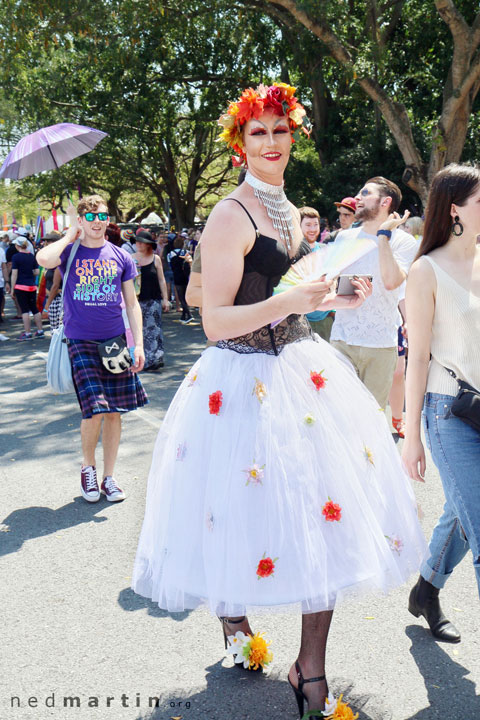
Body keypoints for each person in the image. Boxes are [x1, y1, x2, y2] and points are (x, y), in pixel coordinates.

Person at [132, 82, 425, 719]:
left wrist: (325, 298)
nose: (270, 142)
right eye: (257, 133)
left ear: (293, 136)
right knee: (234, 506)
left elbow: (291, 290)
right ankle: (234, 624)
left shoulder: (291, 208)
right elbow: (214, 321)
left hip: (300, 368)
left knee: (323, 511)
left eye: (278, 130)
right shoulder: (229, 215)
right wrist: (294, 301)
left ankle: (310, 669)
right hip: (236, 378)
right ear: (241, 144)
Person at [402, 163, 480, 643]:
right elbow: (417, 358)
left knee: (462, 508)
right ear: (455, 210)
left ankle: (427, 588)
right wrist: (411, 437)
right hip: (447, 412)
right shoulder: (425, 270)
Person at [37, 195, 147, 504]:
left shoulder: (121, 257)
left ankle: (109, 478)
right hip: (80, 340)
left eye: (102, 215)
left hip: (114, 342)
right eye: (92, 216)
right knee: (95, 408)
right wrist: (70, 234)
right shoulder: (70, 251)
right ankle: (88, 468)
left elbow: (132, 303)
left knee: (114, 412)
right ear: (82, 220)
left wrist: (137, 344)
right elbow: (44, 260)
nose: (98, 221)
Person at [329, 177, 418, 409]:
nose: (357, 198)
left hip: (380, 345)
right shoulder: (344, 237)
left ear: (385, 202)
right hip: (342, 339)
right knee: (338, 412)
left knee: (370, 420)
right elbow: (332, 282)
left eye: (365, 193)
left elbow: (391, 282)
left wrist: (383, 237)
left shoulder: (404, 242)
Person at [133, 230, 170, 371]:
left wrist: (165, 299)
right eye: (137, 241)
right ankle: (141, 359)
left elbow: (161, 279)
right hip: (135, 300)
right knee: (138, 330)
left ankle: (155, 358)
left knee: (154, 330)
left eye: (142, 242)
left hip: (153, 299)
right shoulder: (130, 258)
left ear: (149, 245)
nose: (139, 244)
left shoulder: (156, 259)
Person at [299, 207, 336, 342]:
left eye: (315, 225)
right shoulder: (292, 253)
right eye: (308, 225)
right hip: (300, 318)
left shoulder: (325, 251)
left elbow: (333, 282)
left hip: (324, 319)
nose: (313, 229)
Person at [10, 237, 44, 340]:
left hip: (20, 286)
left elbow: (14, 274)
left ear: (17, 246)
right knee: (34, 309)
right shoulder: (31, 256)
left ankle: (28, 333)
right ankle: (40, 331)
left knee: (25, 310)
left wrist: (12, 289)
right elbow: (37, 272)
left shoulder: (15, 257)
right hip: (31, 286)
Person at [167, 236, 193, 323]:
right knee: (185, 296)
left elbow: (169, 264)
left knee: (181, 296)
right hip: (186, 276)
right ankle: (183, 315)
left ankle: (188, 314)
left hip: (176, 276)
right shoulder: (186, 252)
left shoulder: (170, 254)